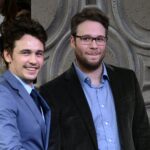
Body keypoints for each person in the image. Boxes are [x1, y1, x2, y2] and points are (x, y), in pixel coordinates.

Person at [40, 6, 150, 150]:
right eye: (86, 39)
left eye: (99, 39)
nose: (94, 45)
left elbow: (143, 136)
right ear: (72, 41)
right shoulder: (52, 92)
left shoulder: (127, 80)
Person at [0, 17, 50, 150]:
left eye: (39, 54)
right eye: (26, 53)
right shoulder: (2, 93)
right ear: (8, 55)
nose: (34, 61)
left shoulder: (33, 93)